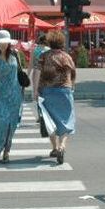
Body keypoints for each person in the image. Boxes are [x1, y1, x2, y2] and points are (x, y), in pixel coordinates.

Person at [34, 30, 76, 164]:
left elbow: (37, 72)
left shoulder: (44, 56)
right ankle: (62, 146)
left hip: (47, 91)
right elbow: (73, 73)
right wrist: (71, 86)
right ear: (62, 43)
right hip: (65, 90)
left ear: (50, 42)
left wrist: (35, 90)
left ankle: (55, 148)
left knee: (49, 121)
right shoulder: (67, 57)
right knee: (65, 120)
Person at [0, 30, 23, 163]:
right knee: (1, 123)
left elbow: (20, 71)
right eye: (0, 43)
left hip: (14, 94)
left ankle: (6, 151)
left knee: (11, 125)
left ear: (9, 43)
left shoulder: (15, 54)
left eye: (5, 43)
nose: (2, 45)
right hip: (0, 95)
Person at [28, 35, 49, 106]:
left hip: (36, 72)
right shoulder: (48, 50)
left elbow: (30, 64)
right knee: (45, 91)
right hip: (46, 72)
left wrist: (27, 75)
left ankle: (38, 105)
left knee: (36, 91)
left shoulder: (34, 50)